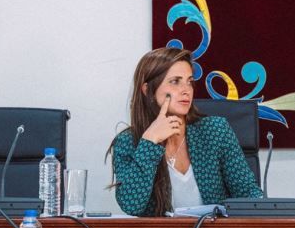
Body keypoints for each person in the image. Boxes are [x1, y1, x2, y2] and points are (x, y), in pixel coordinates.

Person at [110, 47, 262, 216]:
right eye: (175, 81)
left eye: (189, 81)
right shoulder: (128, 142)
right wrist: (150, 141)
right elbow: (131, 205)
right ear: (147, 90)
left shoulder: (215, 130)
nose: (186, 90)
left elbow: (250, 196)